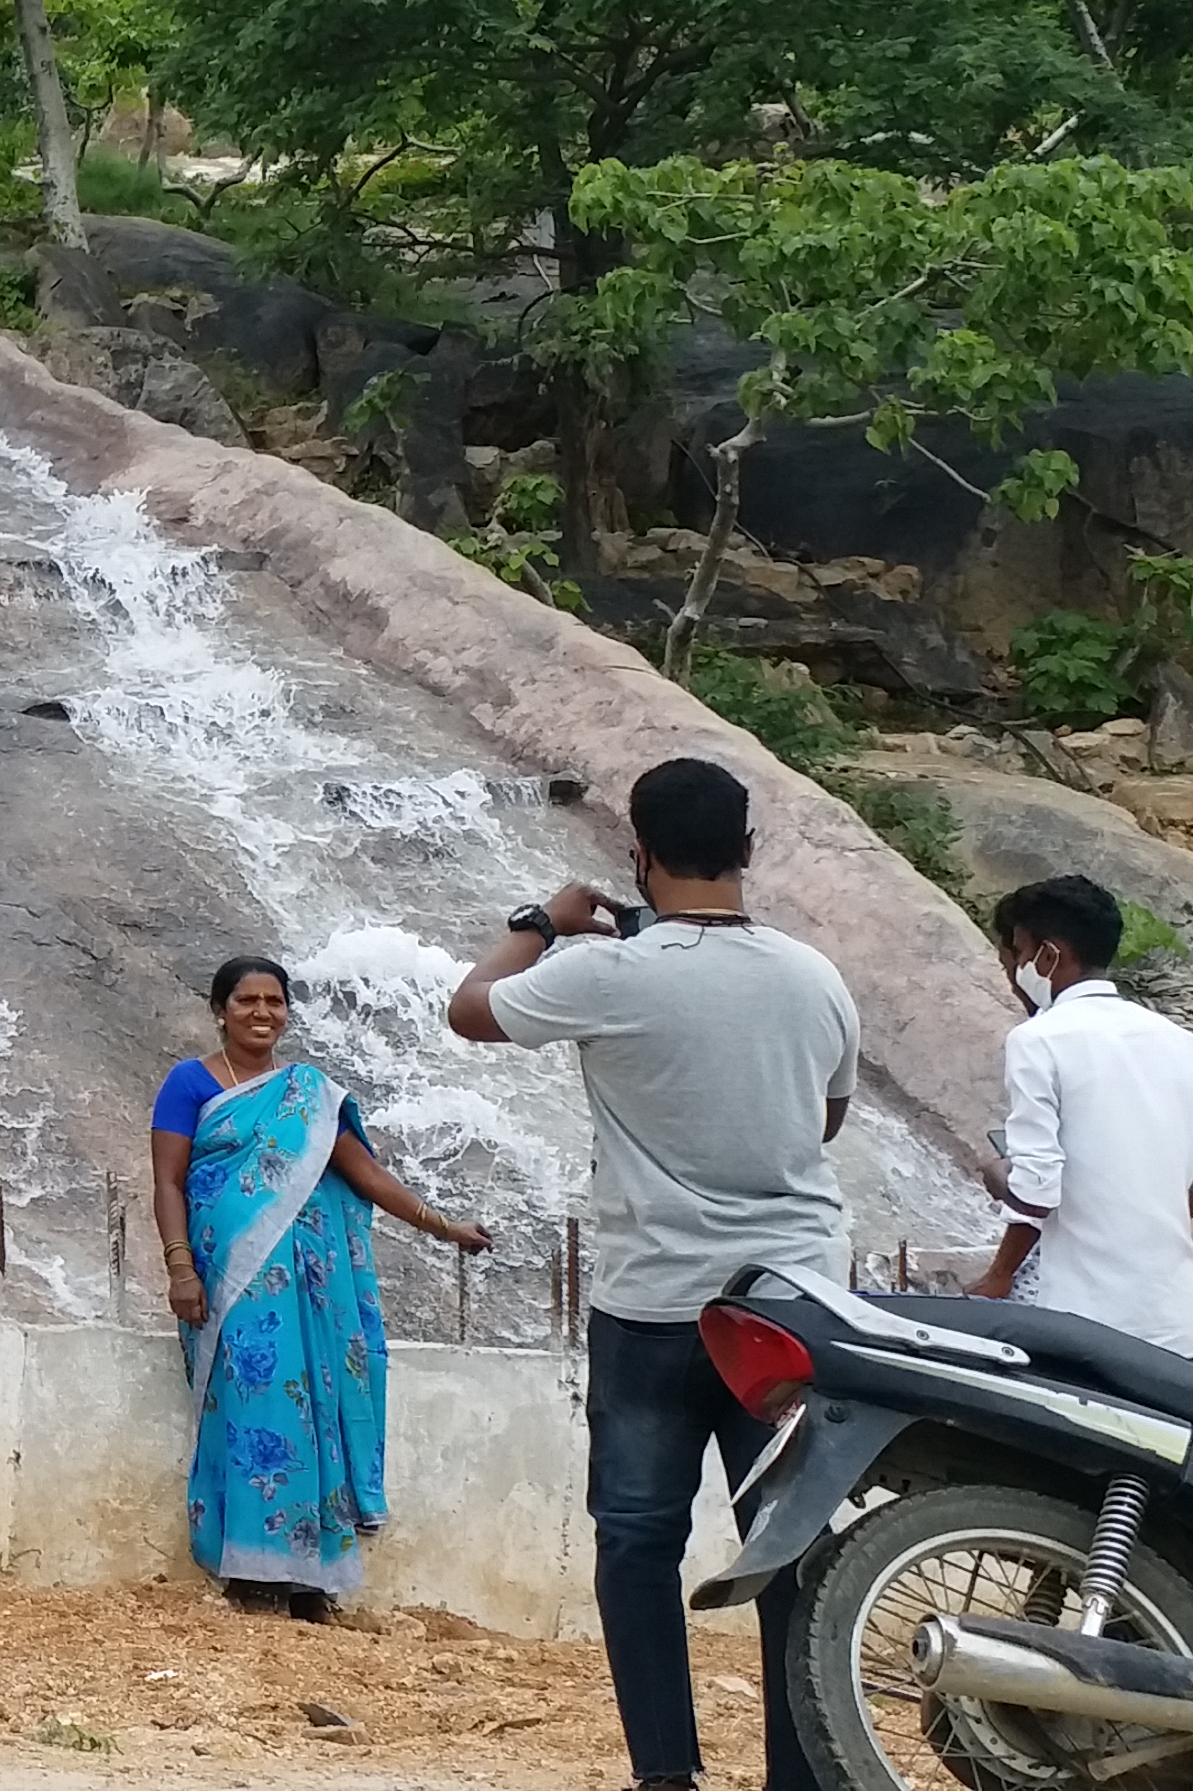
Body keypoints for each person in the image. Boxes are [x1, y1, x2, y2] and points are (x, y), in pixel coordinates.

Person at [451, 755, 855, 1791]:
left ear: (638, 852)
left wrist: (541, 919)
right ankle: (801, 1775)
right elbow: (826, 1120)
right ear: (748, 850)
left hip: (655, 1305)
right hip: (795, 1306)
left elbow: (471, 1007)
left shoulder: (608, 972)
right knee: (793, 1544)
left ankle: (666, 1776)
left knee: (636, 1539)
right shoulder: (816, 976)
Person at [150, 952, 488, 1616]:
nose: (261, 1013)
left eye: (274, 1002)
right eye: (246, 1001)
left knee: (311, 1410)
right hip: (229, 1280)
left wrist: (445, 1227)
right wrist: (179, 1266)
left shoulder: (308, 1096)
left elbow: (367, 1177)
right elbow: (168, 1181)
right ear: (220, 1011)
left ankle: (309, 1576)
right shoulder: (189, 1085)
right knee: (252, 1405)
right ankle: (249, 1570)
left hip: (308, 1287)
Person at [968, 875, 1193, 1354]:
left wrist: (994, 1170)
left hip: (1087, 1332)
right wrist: (1136, 1190)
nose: (1015, 974)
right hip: (1182, 1333)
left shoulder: (1040, 1041)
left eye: (1017, 955)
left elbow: (1034, 1193)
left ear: (1048, 956)